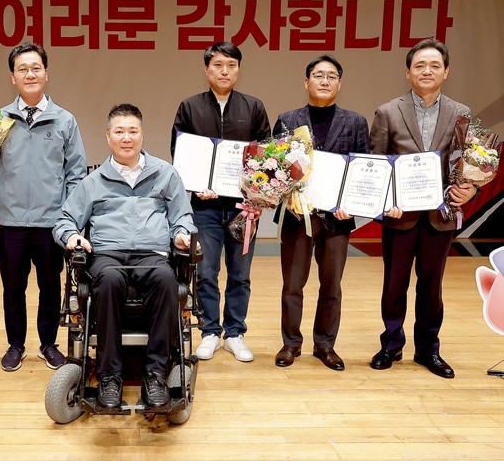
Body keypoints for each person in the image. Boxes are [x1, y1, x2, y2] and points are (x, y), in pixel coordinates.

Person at [54, 103, 196, 409]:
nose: (126, 138)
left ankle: (155, 375)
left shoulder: (165, 174)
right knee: (107, 280)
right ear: (108, 136)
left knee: (166, 280)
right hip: (108, 255)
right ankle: (109, 377)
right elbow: (65, 220)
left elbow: (182, 217)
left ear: (142, 135)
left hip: (152, 254)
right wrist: (72, 236)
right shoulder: (93, 182)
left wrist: (182, 234)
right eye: (119, 132)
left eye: (133, 131)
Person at [369, 39, 477, 379]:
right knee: (394, 284)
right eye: (419, 65)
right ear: (407, 72)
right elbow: (375, 164)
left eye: (434, 65)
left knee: (432, 286)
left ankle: (428, 349)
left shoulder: (461, 113)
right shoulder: (388, 111)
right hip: (399, 215)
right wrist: (386, 202)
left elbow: (468, 164)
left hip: (440, 215)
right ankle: (391, 344)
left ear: (446, 72)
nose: (426, 71)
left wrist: (470, 188)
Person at [0, 42, 86, 372]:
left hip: (51, 223)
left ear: (46, 73)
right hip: (10, 220)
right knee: (13, 287)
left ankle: (48, 344)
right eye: (22, 69)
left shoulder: (65, 121)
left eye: (36, 68)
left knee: (50, 287)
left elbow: (76, 173)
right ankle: (15, 344)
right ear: (12, 77)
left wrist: (69, 219)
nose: (30, 74)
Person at [170, 41, 271, 362]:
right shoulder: (190, 107)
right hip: (205, 207)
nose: (224, 71)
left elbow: (267, 156)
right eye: (217, 65)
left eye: (231, 65)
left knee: (240, 274)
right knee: (206, 271)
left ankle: (235, 333)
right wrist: (196, 185)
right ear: (206, 69)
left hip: (245, 209)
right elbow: (180, 153)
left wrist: (257, 192)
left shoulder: (253, 107)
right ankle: (210, 332)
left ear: (238, 69)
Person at [272, 55, 370, 371]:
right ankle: (291, 343)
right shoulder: (287, 120)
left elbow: (364, 169)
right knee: (292, 285)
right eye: (318, 75)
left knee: (331, 285)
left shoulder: (355, 122)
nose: (324, 81)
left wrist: (351, 204)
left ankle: (325, 345)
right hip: (297, 215)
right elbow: (274, 168)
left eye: (331, 76)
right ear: (306, 82)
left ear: (340, 83)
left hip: (337, 218)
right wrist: (284, 194)